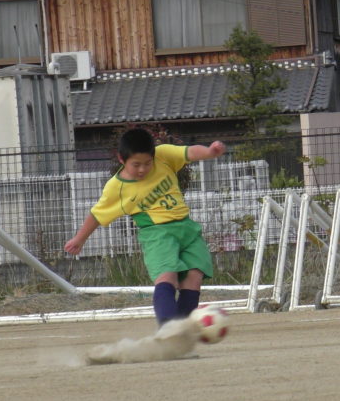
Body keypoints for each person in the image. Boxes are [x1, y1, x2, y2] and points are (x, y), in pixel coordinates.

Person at [64, 128, 226, 328]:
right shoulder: (117, 188)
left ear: (154, 155)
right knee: (167, 277)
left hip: (187, 228)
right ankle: (168, 329)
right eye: (136, 164)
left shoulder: (163, 155)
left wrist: (210, 152)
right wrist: (79, 239)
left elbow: (189, 152)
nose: (142, 169)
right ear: (121, 159)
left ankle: (181, 330)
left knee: (194, 277)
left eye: (147, 163)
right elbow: (97, 214)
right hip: (157, 234)